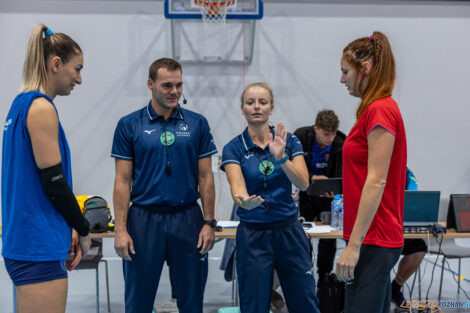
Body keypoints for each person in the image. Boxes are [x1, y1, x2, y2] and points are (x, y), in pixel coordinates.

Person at [111, 57, 217, 313]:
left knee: (192, 301)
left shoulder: (197, 123)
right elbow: (123, 181)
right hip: (144, 220)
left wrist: (209, 223)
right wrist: (121, 230)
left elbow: (206, 177)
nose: (174, 92)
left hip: (188, 218)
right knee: (138, 301)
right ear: (150, 84)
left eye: (179, 85)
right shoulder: (129, 125)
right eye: (167, 85)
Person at [1, 24, 91, 313]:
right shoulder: (40, 108)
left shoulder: (20, 105)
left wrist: (68, 227)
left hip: (30, 239)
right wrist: (83, 227)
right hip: (36, 243)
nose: (79, 79)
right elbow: (53, 181)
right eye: (76, 69)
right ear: (56, 64)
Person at [221, 82, 320, 313]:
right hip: (253, 234)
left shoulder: (290, 141)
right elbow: (237, 185)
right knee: (254, 306)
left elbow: (303, 183)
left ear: (271, 108)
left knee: (305, 302)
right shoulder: (233, 148)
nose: (257, 106)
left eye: (263, 102)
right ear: (242, 109)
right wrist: (243, 201)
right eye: (250, 102)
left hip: (290, 233)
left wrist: (281, 157)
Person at [336, 31, 407, 313]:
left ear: (364, 69)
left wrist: (353, 247)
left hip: (373, 240)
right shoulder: (373, 110)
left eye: (345, 72)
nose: (342, 79)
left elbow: (376, 181)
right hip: (369, 239)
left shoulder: (380, 110)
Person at [294, 109, 346, 283]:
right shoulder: (301, 137)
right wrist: (311, 178)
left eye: (332, 134)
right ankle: (305, 271)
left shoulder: (341, 142)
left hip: (329, 199)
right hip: (307, 194)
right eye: (325, 134)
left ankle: (324, 276)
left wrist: (336, 189)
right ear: (316, 129)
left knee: (328, 238)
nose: (329, 139)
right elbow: (292, 167)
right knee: (303, 234)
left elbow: (342, 175)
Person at [391, 168, 427, 306]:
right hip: (375, 229)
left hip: (399, 227)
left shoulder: (407, 173)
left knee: (419, 248)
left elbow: (412, 197)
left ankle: (395, 288)